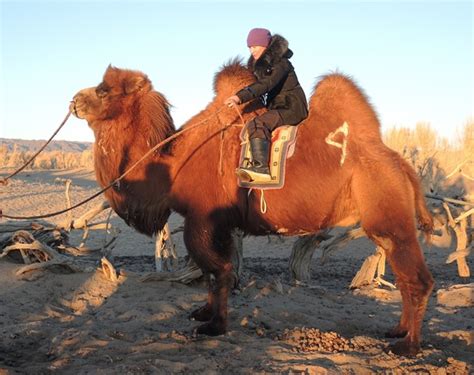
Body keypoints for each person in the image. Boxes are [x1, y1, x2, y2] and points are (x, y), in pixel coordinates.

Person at [226, 27, 308, 181]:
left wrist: (239, 97)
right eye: (249, 47)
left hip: (291, 107)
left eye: (255, 46)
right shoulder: (262, 67)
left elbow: (266, 84)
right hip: (280, 107)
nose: (252, 50)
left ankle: (260, 167)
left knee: (257, 124)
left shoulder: (281, 63)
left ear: (265, 44)